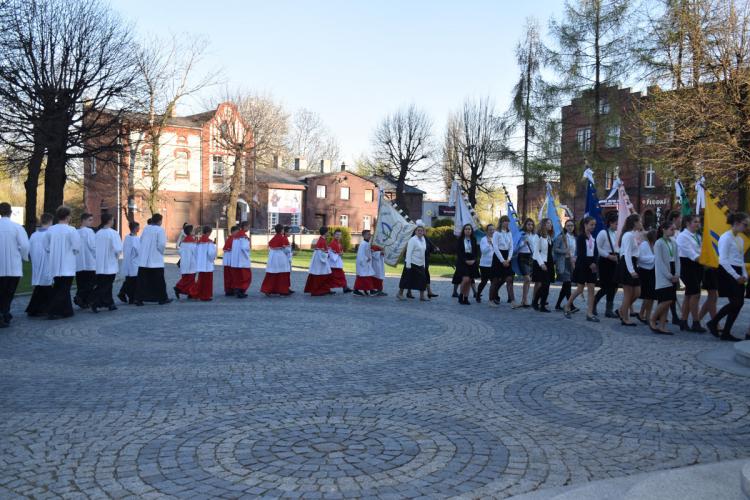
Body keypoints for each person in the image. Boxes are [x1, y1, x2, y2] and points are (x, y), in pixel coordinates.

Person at [707, 212, 749, 341]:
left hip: (737, 270)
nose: (746, 227)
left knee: (738, 303)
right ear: (736, 223)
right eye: (745, 224)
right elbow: (723, 260)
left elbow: (740, 259)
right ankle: (713, 322)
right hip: (727, 272)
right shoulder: (726, 237)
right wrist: (736, 276)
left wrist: (744, 274)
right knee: (736, 302)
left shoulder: (740, 239)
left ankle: (726, 332)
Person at [44, 206, 81, 319]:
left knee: (59, 287)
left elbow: (46, 246)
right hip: (67, 263)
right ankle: (52, 310)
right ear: (68, 217)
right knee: (64, 288)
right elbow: (76, 246)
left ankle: (67, 310)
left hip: (55, 263)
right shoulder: (71, 230)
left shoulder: (51, 229)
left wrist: (53, 251)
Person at [0, 202, 30, 326]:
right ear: (11, 212)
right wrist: (24, 257)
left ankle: (3, 313)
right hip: (13, 266)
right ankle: (4, 312)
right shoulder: (17, 227)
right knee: (9, 292)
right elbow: (25, 245)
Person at [676, 214, 706, 332]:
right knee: (695, 294)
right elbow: (691, 254)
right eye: (695, 222)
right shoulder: (683, 236)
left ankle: (683, 321)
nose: (698, 224)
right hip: (687, 266)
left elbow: (700, 250)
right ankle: (695, 322)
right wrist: (708, 262)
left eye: (698, 222)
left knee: (689, 294)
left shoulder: (697, 236)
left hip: (697, 266)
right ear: (688, 223)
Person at [565, 217, 598, 321]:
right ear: (585, 225)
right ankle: (567, 305)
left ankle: (589, 313)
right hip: (582, 265)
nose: (593, 226)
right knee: (580, 289)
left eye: (594, 225)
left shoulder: (593, 237)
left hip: (592, 265)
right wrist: (590, 264)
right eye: (591, 224)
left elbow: (595, 252)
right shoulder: (580, 238)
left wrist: (594, 263)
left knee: (591, 289)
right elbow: (581, 253)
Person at [651, 220, 681, 335]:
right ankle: (653, 318)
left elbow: (677, 259)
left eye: (674, 229)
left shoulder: (673, 242)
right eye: (671, 229)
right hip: (663, 274)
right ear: (664, 229)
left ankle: (662, 325)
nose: (673, 231)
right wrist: (669, 275)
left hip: (673, 271)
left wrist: (677, 273)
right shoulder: (659, 243)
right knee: (666, 299)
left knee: (669, 301)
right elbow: (659, 262)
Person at [134, 214, 171, 306]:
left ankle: (139, 299)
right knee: (159, 281)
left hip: (144, 260)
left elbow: (141, 240)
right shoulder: (160, 230)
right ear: (159, 221)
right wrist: (161, 252)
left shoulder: (146, 228)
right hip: (155, 259)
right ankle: (162, 298)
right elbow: (161, 244)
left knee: (143, 281)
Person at [91, 213, 122, 313]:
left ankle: (109, 303)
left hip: (100, 264)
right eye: (112, 220)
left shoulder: (98, 233)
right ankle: (95, 301)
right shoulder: (113, 233)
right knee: (106, 285)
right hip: (110, 263)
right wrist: (117, 256)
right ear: (109, 221)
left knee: (104, 284)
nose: (113, 222)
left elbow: (93, 248)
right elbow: (118, 249)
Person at [616, 214, 643, 326]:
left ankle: (622, 310)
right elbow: (626, 253)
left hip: (632, 263)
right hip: (627, 265)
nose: (641, 223)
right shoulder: (628, 235)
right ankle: (625, 318)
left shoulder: (631, 235)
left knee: (637, 292)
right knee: (628, 294)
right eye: (640, 221)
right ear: (635, 223)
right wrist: (631, 270)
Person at [26, 212, 53, 317]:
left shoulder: (34, 235)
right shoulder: (49, 234)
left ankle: (35, 308)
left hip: (36, 263)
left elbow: (29, 249)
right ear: (50, 221)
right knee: (45, 285)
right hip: (46, 262)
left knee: (40, 286)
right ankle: (47, 308)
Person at [593, 211, 620, 318]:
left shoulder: (616, 233)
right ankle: (594, 303)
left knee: (613, 286)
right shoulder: (603, 233)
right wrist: (609, 256)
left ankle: (609, 310)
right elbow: (598, 248)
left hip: (615, 261)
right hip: (605, 262)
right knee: (606, 286)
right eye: (616, 223)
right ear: (610, 223)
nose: (617, 225)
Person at [397, 223, 428, 301]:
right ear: (415, 231)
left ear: (423, 232)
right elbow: (409, 252)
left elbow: (423, 252)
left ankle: (422, 296)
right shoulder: (412, 240)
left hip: (420, 264)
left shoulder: (423, 239)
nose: (420, 232)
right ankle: (400, 294)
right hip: (411, 263)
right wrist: (408, 264)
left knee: (423, 279)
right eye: (418, 230)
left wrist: (424, 264)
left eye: (421, 231)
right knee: (406, 279)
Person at [260, 224, 292, 296]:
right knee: (282, 274)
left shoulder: (274, 238)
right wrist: (290, 253)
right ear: (281, 230)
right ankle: (282, 290)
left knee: (272, 274)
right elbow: (286, 250)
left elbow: (271, 246)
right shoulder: (282, 238)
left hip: (273, 258)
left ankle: (267, 290)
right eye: (283, 229)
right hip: (280, 258)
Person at [491, 215, 516, 307]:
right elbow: (495, 247)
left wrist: (508, 259)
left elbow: (511, 247)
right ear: (501, 222)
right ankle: (491, 300)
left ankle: (513, 301)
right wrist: (502, 260)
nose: (506, 223)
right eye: (504, 221)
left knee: (509, 279)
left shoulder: (509, 233)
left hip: (507, 256)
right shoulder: (496, 233)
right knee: (495, 280)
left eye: (507, 221)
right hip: (498, 257)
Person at [74, 213, 96, 309]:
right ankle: (80, 297)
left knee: (81, 283)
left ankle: (84, 301)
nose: (92, 222)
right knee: (90, 283)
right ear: (83, 220)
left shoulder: (75, 232)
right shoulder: (89, 232)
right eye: (90, 220)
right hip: (89, 262)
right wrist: (97, 257)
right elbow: (93, 246)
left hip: (79, 262)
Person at [553, 220, 577, 311]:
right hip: (563, 262)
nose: (570, 227)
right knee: (567, 283)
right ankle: (571, 305)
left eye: (572, 225)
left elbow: (575, 251)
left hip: (571, 262)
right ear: (565, 227)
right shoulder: (561, 237)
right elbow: (555, 249)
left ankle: (557, 305)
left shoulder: (575, 238)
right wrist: (564, 251)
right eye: (568, 225)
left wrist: (575, 258)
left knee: (566, 286)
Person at [531, 218, 554, 312]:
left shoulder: (548, 236)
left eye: (551, 223)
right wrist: (541, 264)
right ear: (543, 224)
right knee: (545, 284)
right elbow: (536, 252)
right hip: (540, 262)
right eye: (548, 223)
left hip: (549, 262)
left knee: (546, 285)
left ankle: (539, 303)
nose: (550, 224)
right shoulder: (538, 236)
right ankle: (538, 303)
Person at [189, 225, 217, 301]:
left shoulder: (198, 242)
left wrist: (198, 261)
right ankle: (205, 296)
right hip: (207, 265)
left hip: (201, 265)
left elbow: (195, 253)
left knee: (201, 281)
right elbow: (211, 253)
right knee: (207, 282)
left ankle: (198, 293)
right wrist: (212, 259)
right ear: (208, 232)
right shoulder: (209, 242)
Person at [456, 224, 480, 305]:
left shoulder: (473, 239)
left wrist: (474, 260)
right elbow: (459, 252)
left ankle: (466, 298)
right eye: (466, 229)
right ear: (463, 230)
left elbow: (476, 252)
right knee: (465, 279)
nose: (468, 230)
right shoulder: (460, 240)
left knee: (469, 280)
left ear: (471, 231)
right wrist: (465, 260)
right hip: (462, 262)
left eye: (469, 229)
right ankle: (461, 295)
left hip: (472, 261)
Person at [637, 229, 657, 324]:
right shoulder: (644, 245)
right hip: (644, 272)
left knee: (651, 296)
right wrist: (654, 258)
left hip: (653, 271)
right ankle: (643, 314)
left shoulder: (655, 245)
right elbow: (640, 258)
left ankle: (647, 315)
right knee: (648, 296)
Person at [305, 226, 333, 296]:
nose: (328, 233)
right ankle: (318, 291)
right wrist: (327, 255)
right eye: (328, 232)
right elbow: (321, 253)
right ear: (325, 233)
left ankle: (325, 289)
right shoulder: (322, 241)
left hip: (320, 260)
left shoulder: (322, 240)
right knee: (321, 275)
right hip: (320, 261)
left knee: (325, 275)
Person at [118, 222, 140, 304]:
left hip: (127, 261)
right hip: (134, 262)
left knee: (129, 280)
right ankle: (132, 298)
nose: (139, 229)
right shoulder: (136, 239)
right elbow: (138, 251)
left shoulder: (126, 237)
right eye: (138, 227)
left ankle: (123, 293)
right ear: (135, 229)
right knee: (133, 281)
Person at [517, 218, 537, 307]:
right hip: (522, 257)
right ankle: (524, 299)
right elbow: (516, 247)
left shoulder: (534, 235)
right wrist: (523, 243)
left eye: (532, 224)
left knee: (528, 280)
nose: (530, 226)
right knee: (527, 279)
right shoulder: (521, 234)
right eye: (528, 224)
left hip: (531, 257)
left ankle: (524, 300)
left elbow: (535, 247)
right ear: (525, 225)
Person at [229, 221, 252, 298]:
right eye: (248, 227)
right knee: (246, 277)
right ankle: (241, 290)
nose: (249, 228)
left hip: (235, 261)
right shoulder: (243, 236)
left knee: (238, 277)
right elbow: (244, 248)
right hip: (242, 260)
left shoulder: (236, 236)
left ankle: (237, 289)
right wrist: (248, 255)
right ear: (245, 227)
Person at [174, 225, 197, 299]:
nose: (194, 231)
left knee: (185, 277)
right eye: (193, 230)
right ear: (191, 232)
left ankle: (190, 293)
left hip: (184, 262)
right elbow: (196, 253)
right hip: (191, 263)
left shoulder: (183, 242)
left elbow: (180, 252)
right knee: (191, 279)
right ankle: (179, 288)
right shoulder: (193, 242)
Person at [353, 229, 377, 296]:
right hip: (363, 263)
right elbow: (361, 254)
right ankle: (371, 290)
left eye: (370, 234)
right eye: (367, 234)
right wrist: (366, 259)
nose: (369, 236)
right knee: (365, 277)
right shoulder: (363, 244)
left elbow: (366, 251)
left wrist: (370, 251)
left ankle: (358, 290)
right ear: (363, 235)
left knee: (364, 277)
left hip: (366, 263)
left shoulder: (367, 243)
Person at [477, 224, 496, 304]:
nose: (492, 231)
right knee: (484, 281)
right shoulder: (483, 240)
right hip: (484, 265)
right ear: (486, 231)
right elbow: (483, 251)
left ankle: (493, 297)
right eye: (490, 230)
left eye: (493, 230)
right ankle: (478, 294)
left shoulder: (496, 239)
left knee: (494, 282)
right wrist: (489, 245)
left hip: (494, 264)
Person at [222, 225, 239, 296]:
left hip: (228, 261)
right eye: (237, 232)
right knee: (231, 276)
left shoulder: (231, 239)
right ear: (233, 232)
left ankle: (229, 290)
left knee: (229, 276)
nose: (238, 233)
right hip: (230, 261)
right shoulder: (232, 239)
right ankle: (230, 289)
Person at [283, 226, 296, 294]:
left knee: (287, 274)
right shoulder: (284, 239)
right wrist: (292, 253)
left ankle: (287, 287)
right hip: (286, 259)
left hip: (287, 259)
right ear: (285, 232)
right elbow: (285, 251)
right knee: (286, 274)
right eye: (289, 232)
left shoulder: (285, 239)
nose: (290, 233)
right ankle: (285, 288)